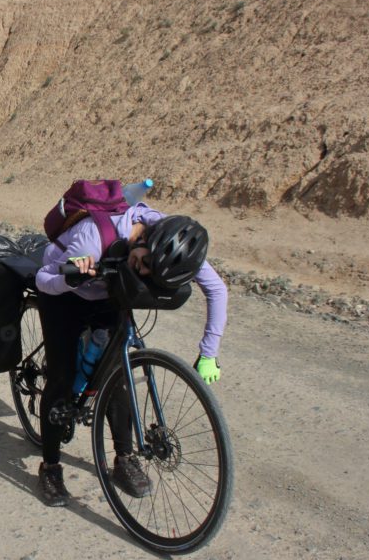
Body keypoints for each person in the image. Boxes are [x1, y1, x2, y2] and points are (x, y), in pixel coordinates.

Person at [32, 204, 228, 507]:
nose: (146, 273)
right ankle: (50, 467)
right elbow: (43, 279)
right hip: (64, 295)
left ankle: (124, 461)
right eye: (145, 263)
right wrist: (70, 279)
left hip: (109, 291)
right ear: (141, 239)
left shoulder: (174, 242)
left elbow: (217, 290)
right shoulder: (93, 238)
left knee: (117, 375)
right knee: (61, 377)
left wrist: (208, 354)